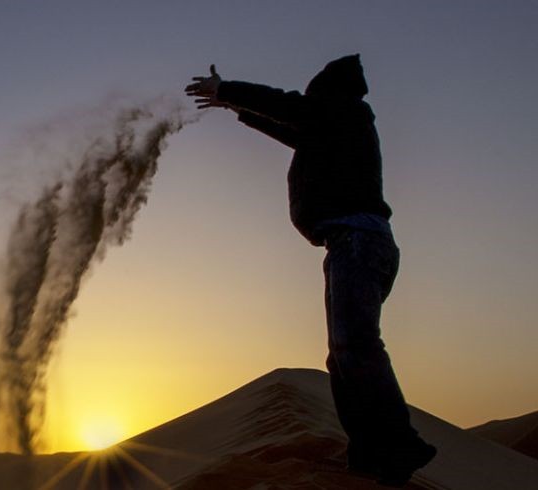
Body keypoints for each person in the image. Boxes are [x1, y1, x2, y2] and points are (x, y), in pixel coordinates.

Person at [185, 54, 437, 487]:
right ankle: (370, 455)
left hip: (358, 241)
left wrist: (228, 90)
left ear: (327, 91)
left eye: (313, 93)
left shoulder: (345, 112)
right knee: (342, 356)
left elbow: (293, 110)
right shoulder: (332, 128)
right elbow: (292, 129)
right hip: (349, 245)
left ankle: (399, 446)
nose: (308, 97)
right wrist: (237, 109)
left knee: (354, 346)